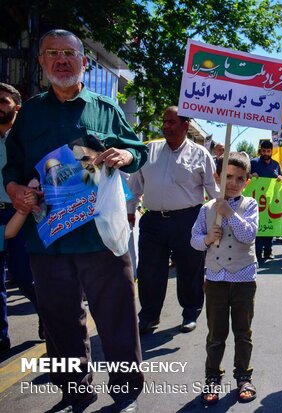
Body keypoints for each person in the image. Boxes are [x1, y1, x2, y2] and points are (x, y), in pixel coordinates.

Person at [3, 29, 147, 413]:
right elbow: (13, 165)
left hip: (101, 236)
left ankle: (126, 391)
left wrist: (126, 156)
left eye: (69, 53)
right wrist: (15, 187)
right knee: (59, 321)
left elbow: (137, 148)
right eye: (52, 53)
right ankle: (75, 391)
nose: (61, 60)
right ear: (41, 61)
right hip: (48, 238)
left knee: (116, 316)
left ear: (84, 60)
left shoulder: (106, 107)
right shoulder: (30, 113)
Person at [128, 106, 217, 334]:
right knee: (149, 272)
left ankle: (190, 312)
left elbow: (213, 190)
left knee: (190, 270)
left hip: (188, 221)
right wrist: (130, 211)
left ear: (186, 125)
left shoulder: (201, 155)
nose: (165, 126)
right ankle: (149, 316)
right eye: (164, 122)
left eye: (171, 122)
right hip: (153, 222)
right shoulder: (149, 151)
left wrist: (223, 215)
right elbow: (135, 185)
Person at [190, 153, 259, 405]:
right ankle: (212, 377)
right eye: (228, 176)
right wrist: (207, 239)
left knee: (243, 331)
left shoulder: (250, 205)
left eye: (239, 178)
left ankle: (243, 376)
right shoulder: (206, 209)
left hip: (243, 279)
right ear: (217, 177)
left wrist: (229, 212)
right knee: (216, 333)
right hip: (216, 279)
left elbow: (248, 235)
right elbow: (194, 240)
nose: (233, 183)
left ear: (247, 181)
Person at [0, 83, 43, 356]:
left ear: (17, 107)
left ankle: (47, 313)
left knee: (26, 275)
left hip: (20, 214)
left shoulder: (27, 138)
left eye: (3, 101)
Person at [250, 140, 282, 261]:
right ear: (260, 150)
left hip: (270, 202)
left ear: (271, 151)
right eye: (264, 151)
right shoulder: (253, 162)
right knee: (258, 228)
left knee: (269, 226)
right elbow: (245, 176)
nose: (266, 153)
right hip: (256, 201)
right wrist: (250, 176)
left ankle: (268, 252)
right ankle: (257, 254)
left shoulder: (276, 164)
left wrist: (280, 178)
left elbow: (281, 178)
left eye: (268, 151)